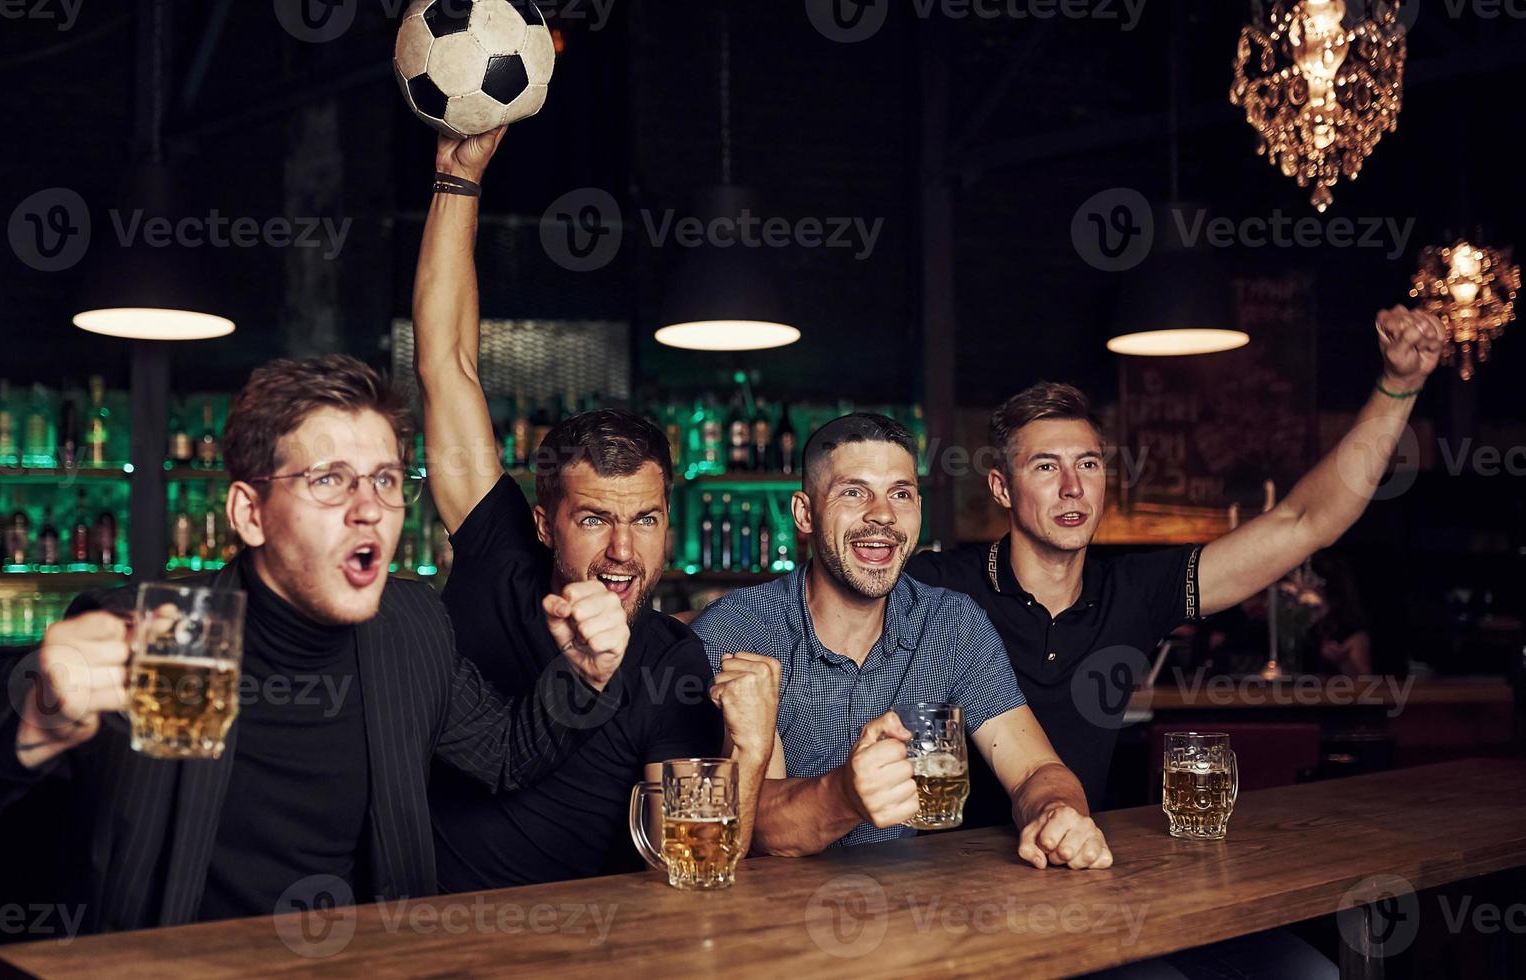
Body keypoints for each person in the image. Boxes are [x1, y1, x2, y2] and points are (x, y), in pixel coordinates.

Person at [0, 355, 629, 934]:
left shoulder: (411, 626)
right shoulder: (152, 635)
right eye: (328, 481)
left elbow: (503, 757)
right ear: (249, 513)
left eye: (385, 479)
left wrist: (582, 675)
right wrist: (34, 717)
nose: (369, 507)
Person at [413, 127, 778, 891]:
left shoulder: (671, 664)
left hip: (573, 950)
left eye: (644, 520)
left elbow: (697, 863)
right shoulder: (496, 550)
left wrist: (750, 743)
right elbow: (446, 364)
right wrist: (457, 175)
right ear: (545, 522)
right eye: (594, 519)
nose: (622, 552)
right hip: (411, 922)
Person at [906, 307, 1442, 821]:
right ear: (1001, 488)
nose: (1072, 488)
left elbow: (1304, 523)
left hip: (1074, 858)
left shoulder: (1135, 589)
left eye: (1087, 464)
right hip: (946, 871)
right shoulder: (941, 585)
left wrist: (1399, 387)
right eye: (1046, 466)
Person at [691, 413, 1112, 870]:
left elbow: (1034, 768)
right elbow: (758, 826)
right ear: (805, 513)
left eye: (901, 493)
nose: (883, 514)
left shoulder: (948, 622)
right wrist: (846, 794)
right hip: (772, 924)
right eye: (854, 492)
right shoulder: (737, 632)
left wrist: (1056, 812)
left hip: (913, 912)